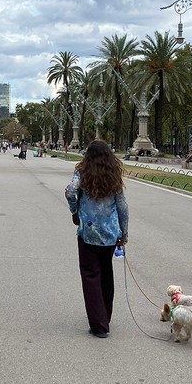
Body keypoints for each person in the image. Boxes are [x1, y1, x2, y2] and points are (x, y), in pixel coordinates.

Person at [65, 140, 129, 338]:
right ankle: (105, 316)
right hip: (110, 234)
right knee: (106, 274)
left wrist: (74, 210)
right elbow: (122, 206)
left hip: (88, 232)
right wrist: (124, 232)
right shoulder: (114, 177)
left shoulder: (82, 174)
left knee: (90, 275)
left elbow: (70, 192)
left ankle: (99, 324)